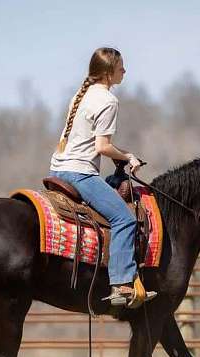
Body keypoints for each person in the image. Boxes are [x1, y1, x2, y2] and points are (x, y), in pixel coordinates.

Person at [48, 47, 155, 307]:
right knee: (124, 219)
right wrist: (128, 156)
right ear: (108, 73)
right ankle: (121, 284)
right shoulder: (108, 101)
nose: (125, 71)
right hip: (80, 173)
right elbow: (102, 147)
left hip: (58, 168)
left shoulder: (80, 94)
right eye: (121, 68)